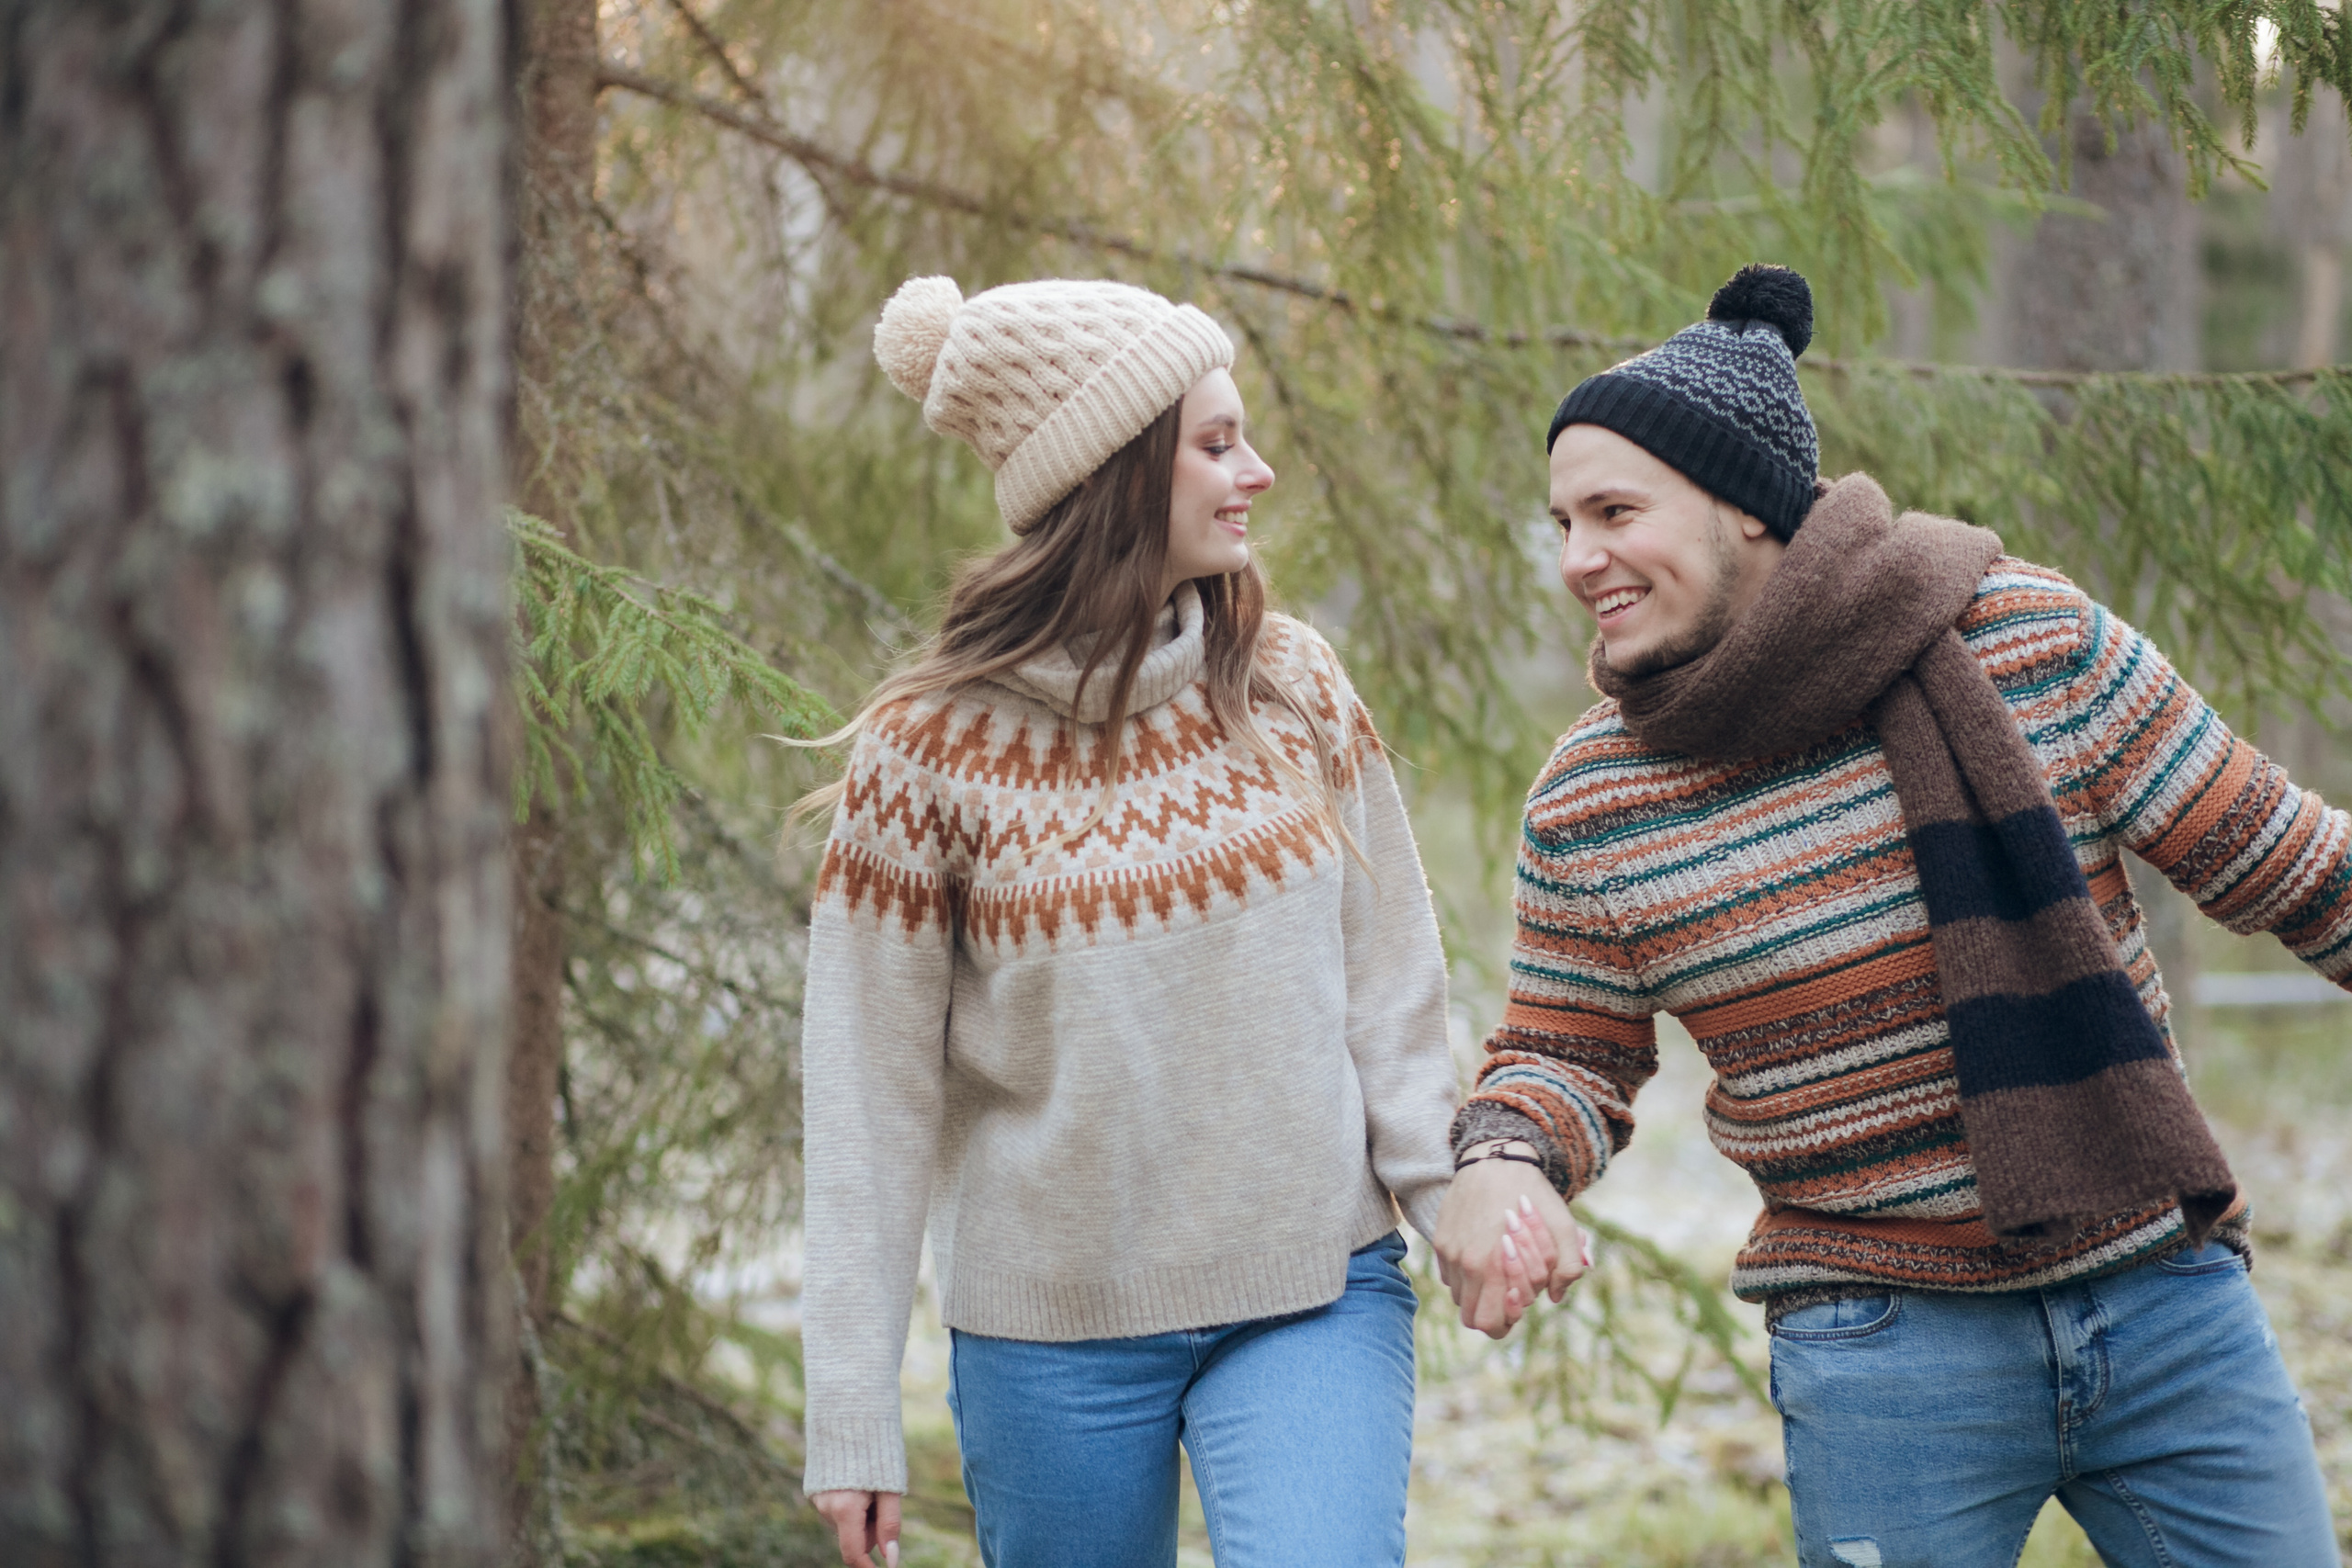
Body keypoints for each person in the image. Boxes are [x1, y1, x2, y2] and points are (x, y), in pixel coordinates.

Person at [1433, 263, 2349, 1566]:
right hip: (1882, 1347)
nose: (1579, 559)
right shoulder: (1596, 798)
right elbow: (1562, 1054)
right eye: (1562, 521)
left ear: (1744, 507)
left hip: (2162, 1303)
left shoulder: (2025, 641)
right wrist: (1501, 1161)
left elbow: (2292, 863)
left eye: (1614, 511)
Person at [796, 276, 1463, 1568]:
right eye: (1215, 444)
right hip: (1046, 1336)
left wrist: (1452, 1201)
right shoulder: (923, 756)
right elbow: (866, 1099)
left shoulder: (1292, 683)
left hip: (1314, 1288)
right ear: (1110, 475)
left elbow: (1393, 983)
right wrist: (851, 1414)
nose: (1255, 470)